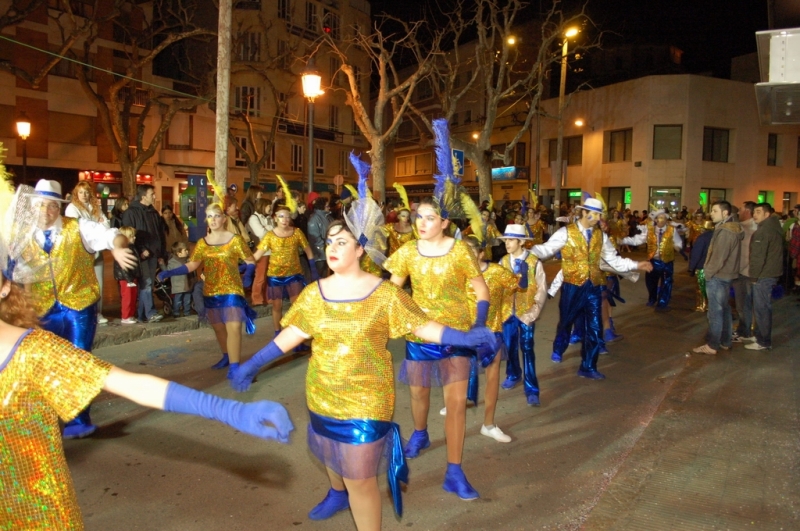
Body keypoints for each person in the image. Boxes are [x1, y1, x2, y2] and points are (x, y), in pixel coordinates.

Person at [229, 221, 495, 530]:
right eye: (329, 242)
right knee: (330, 452)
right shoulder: (314, 293)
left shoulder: (385, 294)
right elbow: (291, 335)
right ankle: (336, 493)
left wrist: (464, 338)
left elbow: (421, 326)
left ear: (359, 250)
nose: (332, 247)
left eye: (342, 242)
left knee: (361, 480)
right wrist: (252, 364)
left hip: (369, 400)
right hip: (321, 395)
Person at [383, 118, 491, 500]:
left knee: (457, 404)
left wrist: (479, 323)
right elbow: (392, 292)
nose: (422, 223)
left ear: (445, 221)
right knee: (418, 395)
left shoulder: (461, 250)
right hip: (419, 334)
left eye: (429, 217)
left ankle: (455, 470)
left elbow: (480, 289)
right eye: (417, 217)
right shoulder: (406, 251)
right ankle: (420, 432)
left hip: (458, 335)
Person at [18, 180, 137, 439]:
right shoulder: (24, 235)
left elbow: (111, 234)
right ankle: (49, 414)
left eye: (52, 206)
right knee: (48, 365)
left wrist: (117, 246)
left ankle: (78, 418)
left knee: (78, 360)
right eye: (41, 205)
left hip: (79, 305)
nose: (46, 211)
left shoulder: (79, 227)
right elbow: (18, 272)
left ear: (60, 207)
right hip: (42, 310)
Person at [531, 198, 652, 379]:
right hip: (572, 285)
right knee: (566, 321)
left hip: (594, 286)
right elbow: (546, 250)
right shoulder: (566, 232)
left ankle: (588, 366)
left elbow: (613, 260)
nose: (597, 218)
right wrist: (528, 254)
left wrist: (636, 264)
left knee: (594, 326)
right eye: (594, 214)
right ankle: (559, 347)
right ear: (583, 212)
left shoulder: (601, 237)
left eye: (599, 215)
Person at [158, 203, 257, 378]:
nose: (213, 219)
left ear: (224, 219)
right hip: (211, 291)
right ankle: (227, 356)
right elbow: (192, 265)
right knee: (219, 328)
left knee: (233, 328)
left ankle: (235, 367)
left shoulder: (235, 239)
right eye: (209, 216)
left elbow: (250, 260)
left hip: (232, 290)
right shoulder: (203, 243)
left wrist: (248, 273)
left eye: (217, 215)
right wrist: (169, 272)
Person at [496, 223, 547, 406]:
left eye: (510, 240)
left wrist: (534, 312)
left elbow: (541, 288)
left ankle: (532, 389)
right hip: (508, 314)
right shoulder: (503, 262)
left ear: (521, 242)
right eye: (506, 240)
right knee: (509, 347)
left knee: (527, 350)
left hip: (526, 314)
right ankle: (513, 373)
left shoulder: (534, 262)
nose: (507, 244)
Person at [252, 203, 317, 342]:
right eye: (281, 216)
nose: (285, 219)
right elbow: (257, 255)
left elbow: (308, 251)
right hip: (275, 275)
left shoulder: (297, 232)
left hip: (294, 274)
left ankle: (296, 336)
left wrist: (313, 269)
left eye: (287, 216)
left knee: (296, 306)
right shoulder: (269, 235)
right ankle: (277, 334)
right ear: (275, 218)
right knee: (277, 306)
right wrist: (245, 265)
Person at [693, 201, 743, 355]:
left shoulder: (726, 232)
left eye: (715, 211)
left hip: (718, 276)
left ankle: (712, 345)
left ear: (725, 213)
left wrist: (708, 274)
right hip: (725, 275)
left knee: (715, 312)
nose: (711, 214)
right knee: (724, 309)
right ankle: (725, 341)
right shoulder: (729, 229)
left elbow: (718, 258)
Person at [619, 209, 683, 311]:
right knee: (651, 282)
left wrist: (677, 246)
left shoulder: (672, 230)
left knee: (667, 282)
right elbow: (637, 240)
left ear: (666, 219)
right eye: (659, 218)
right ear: (656, 219)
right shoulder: (650, 230)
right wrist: (622, 241)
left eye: (664, 218)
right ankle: (652, 298)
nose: (661, 220)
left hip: (667, 261)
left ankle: (662, 304)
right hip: (654, 260)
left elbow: (678, 243)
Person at [65, 181, 110, 325]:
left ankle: (98, 313)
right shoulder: (72, 208)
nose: (84, 195)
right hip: (81, 252)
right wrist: (98, 224)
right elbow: (81, 229)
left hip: (97, 251)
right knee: (84, 285)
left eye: (86, 192)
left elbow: (106, 225)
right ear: (76, 194)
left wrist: (98, 225)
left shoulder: (94, 207)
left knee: (99, 284)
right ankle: (85, 313)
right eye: (80, 192)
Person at [122, 184, 167, 323]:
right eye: (151, 194)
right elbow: (128, 234)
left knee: (147, 285)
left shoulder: (153, 212)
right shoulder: (131, 212)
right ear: (143, 196)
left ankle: (142, 315)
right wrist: (141, 249)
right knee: (146, 283)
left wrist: (161, 252)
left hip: (154, 254)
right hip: (142, 255)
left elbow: (160, 233)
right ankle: (150, 313)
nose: (154, 196)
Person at [745, 203, 784, 351]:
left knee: (761, 308)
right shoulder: (773, 228)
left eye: (759, 212)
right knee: (762, 307)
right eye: (754, 212)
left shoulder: (763, 231)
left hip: (764, 274)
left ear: (767, 214)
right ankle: (760, 336)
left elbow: (758, 257)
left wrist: (754, 277)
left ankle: (763, 341)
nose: (755, 215)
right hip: (770, 272)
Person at [732, 201, 757, 338]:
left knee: (744, 304)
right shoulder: (743, 227)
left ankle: (745, 331)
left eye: (741, 209)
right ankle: (744, 328)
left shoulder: (749, 230)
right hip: (742, 271)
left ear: (747, 211)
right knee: (742, 304)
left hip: (745, 273)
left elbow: (747, 255)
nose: (738, 212)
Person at [247, 197, 274, 306]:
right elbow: (261, 233)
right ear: (263, 206)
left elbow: (274, 231)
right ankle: (257, 299)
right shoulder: (254, 218)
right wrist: (269, 229)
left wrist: (267, 227)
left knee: (269, 277)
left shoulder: (269, 218)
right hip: (260, 252)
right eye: (269, 206)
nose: (270, 208)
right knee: (260, 277)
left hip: (270, 251)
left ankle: (268, 297)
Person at [114, 226, 141, 324]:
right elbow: (123, 267)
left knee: (133, 296)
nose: (134, 238)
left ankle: (131, 315)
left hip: (132, 276)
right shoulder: (124, 249)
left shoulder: (132, 247)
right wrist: (129, 279)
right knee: (127, 297)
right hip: (126, 278)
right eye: (131, 236)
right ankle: (125, 316)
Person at [688, 221, 715, 313]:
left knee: (701, 288)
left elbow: (696, 254)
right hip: (714, 267)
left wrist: (692, 267)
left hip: (702, 266)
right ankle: (710, 305)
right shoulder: (716, 237)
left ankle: (701, 306)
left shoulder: (701, 238)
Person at [307, 196, 333, 278]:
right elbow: (314, 238)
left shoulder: (328, 217)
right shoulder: (314, 219)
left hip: (327, 253)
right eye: (327, 206)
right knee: (318, 277)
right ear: (322, 207)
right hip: (319, 255)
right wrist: (324, 247)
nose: (329, 208)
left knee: (325, 277)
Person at [167, 241, 193, 318]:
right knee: (178, 299)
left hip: (187, 284)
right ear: (179, 253)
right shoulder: (172, 262)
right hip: (178, 284)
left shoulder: (187, 260)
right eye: (185, 250)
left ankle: (187, 312)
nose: (187, 251)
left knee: (187, 299)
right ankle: (176, 312)